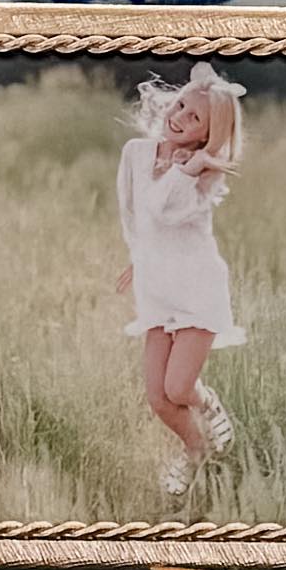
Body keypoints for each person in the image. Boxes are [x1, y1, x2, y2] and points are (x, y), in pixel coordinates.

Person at [116, 64, 244, 499]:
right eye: (182, 104)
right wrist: (139, 257)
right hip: (157, 286)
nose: (180, 117)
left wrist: (188, 171)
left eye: (195, 120)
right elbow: (133, 212)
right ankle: (196, 449)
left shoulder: (201, 179)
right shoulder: (136, 152)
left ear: (207, 136)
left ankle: (206, 406)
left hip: (196, 288)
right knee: (157, 397)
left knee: (178, 388)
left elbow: (161, 209)